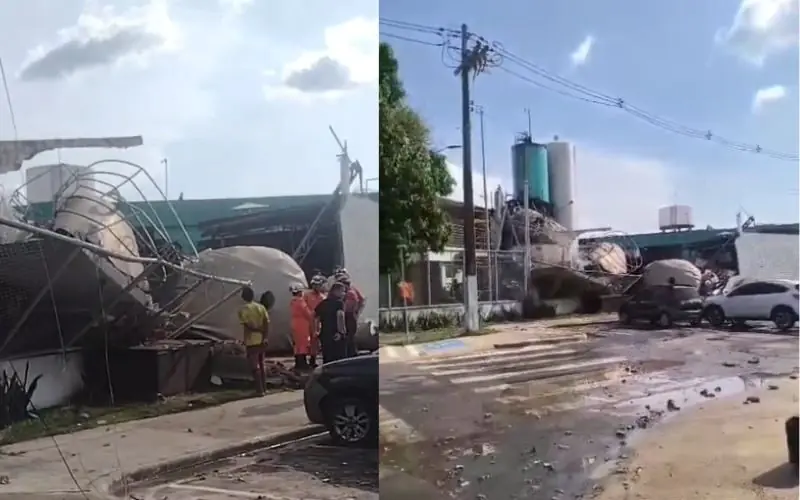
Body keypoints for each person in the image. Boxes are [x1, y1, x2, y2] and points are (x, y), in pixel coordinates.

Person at [237, 286, 269, 395]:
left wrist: (256, 331)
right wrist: (265, 335)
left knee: (254, 365)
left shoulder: (243, 309)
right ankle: (265, 388)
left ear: (243, 297)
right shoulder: (261, 307)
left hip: (252, 341)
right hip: (262, 340)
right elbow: (266, 322)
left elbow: (247, 326)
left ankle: (259, 390)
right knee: (262, 363)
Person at [314, 281, 347, 364]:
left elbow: (315, 317)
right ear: (335, 291)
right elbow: (340, 316)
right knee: (339, 359)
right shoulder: (339, 303)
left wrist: (317, 330)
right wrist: (341, 332)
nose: (344, 294)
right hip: (335, 334)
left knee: (327, 357)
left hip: (325, 334)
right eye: (342, 291)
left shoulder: (323, 303)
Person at [337, 269, 365, 357]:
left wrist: (357, 311)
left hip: (349, 315)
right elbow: (362, 300)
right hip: (348, 315)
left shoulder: (349, 292)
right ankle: (350, 352)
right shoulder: (351, 290)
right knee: (349, 335)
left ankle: (350, 353)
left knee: (349, 335)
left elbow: (361, 300)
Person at [304, 274, 327, 368]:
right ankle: (303, 359)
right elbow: (303, 306)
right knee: (305, 341)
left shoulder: (323, 297)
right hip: (307, 320)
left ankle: (313, 359)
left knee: (315, 341)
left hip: (317, 321)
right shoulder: (307, 295)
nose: (316, 287)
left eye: (318, 285)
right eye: (315, 285)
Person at [289, 284, 312, 371]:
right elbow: (307, 313)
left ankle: (298, 362)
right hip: (302, 324)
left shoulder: (292, 301)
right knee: (303, 343)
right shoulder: (300, 301)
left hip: (294, 323)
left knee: (297, 344)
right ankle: (302, 363)